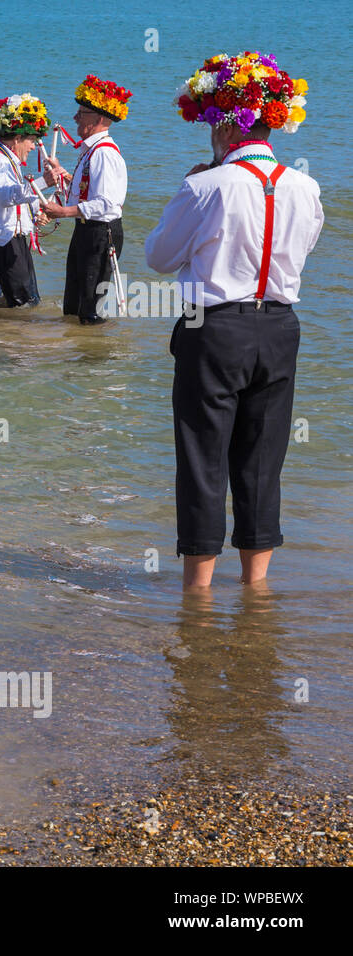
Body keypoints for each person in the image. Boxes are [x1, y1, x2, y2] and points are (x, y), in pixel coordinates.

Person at [145, 51, 322, 589]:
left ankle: (197, 589)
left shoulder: (207, 186)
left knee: (203, 457)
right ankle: (256, 585)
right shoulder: (305, 186)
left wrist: (191, 187)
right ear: (275, 124)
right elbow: (303, 248)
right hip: (280, 326)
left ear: (224, 126)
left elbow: (159, 256)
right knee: (263, 456)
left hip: (215, 328)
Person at [40, 76, 131, 325]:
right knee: (73, 303)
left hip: (101, 232)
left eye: (82, 113)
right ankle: (75, 355)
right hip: (86, 230)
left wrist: (62, 211)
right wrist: (64, 175)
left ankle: (94, 358)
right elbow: (88, 192)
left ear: (100, 119)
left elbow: (107, 204)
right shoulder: (92, 149)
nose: (75, 118)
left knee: (91, 308)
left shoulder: (103, 153)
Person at [0, 94, 50, 307]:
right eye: (32, 141)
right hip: (4, 241)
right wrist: (44, 181)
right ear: (17, 139)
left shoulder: (6, 159)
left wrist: (39, 210)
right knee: (22, 304)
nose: (33, 147)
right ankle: (10, 337)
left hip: (11, 239)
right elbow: (8, 196)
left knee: (28, 298)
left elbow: (17, 198)